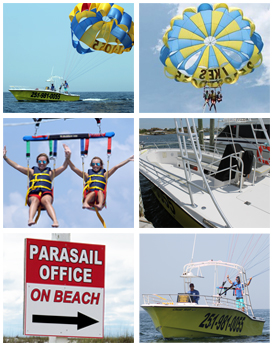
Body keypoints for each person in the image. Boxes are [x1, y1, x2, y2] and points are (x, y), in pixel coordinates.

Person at [3, 144, 71, 227]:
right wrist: (5, 158)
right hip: (34, 193)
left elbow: (64, 166)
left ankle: (55, 221)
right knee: (35, 200)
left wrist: (68, 156)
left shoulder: (51, 173)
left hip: (46, 193)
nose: (41, 163)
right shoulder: (31, 172)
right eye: (39, 161)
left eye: (44, 161)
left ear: (47, 163)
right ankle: (30, 219)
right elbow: (17, 166)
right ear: (37, 162)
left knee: (46, 201)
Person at [64, 144, 134, 211]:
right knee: (93, 192)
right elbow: (74, 168)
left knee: (99, 191)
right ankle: (85, 203)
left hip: (99, 199)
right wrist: (68, 158)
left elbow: (116, 167)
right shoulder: (87, 175)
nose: (95, 166)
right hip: (90, 198)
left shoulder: (104, 175)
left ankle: (100, 204)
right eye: (93, 164)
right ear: (91, 165)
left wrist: (128, 160)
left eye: (97, 164)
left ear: (101, 165)